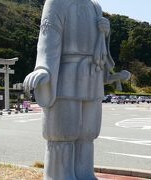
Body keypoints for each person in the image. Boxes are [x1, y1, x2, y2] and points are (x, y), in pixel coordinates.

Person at [23, 0, 130, 179]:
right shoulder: (57, 2)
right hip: (67, 72)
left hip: (93, 73)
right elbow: (48, 36)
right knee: (63, 131)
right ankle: (59, 174)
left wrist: (105, 32)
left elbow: (100, 49)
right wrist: (43, 68)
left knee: (88, 132)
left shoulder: (95, 6)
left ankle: (85, 173)